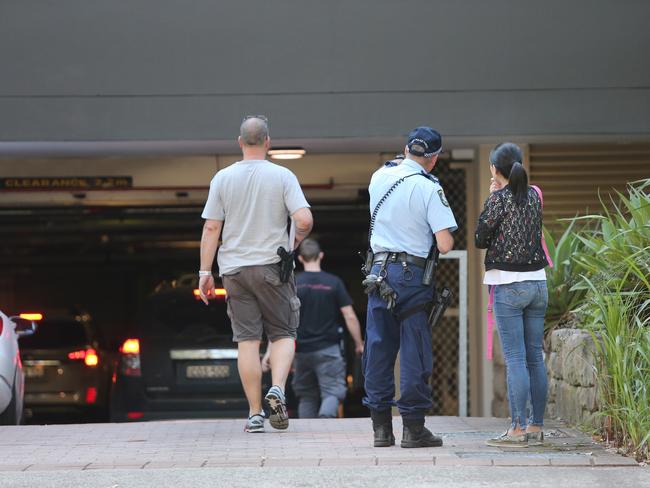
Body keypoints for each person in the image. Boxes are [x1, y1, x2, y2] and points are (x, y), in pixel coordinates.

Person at [199, 115, 313, 434]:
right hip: (271, 267)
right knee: (283, 333)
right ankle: (277, 388)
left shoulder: (222, 178)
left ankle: (253, 414)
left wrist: (204, 272)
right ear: (267, 142)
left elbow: (211, 227)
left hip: (233, 269)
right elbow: (303, 219)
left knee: (247, 341)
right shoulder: (282, 175)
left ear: (239, 142)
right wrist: (292, 245)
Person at [363, 126, 457, 448]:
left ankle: (381, 430)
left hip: (377, 272)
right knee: (414, 350)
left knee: (378, 348)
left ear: (405, 150)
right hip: (411, 277)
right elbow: (445, 244)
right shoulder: (429, 187)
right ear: (433, 158)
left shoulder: (379, 177)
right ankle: (414, 430)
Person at [475, 142, 549, 448]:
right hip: (537, 283)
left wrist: (493, 194)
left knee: (516, 358)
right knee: (535, 357)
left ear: (494, 168)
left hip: (509, 284)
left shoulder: (498, 200)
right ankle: (536, 426)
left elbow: (481, 238)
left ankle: (517, 429)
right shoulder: (534, 195)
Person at [289, 238, 364, 418]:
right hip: (328, 349)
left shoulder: (293, 284)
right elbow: (349, 315)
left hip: (301, 350)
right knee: (332, 392)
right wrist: (358, 343)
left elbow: (283, 317)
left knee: (307, 396)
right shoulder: (334, 282)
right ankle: (325, 422)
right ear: (321, 256)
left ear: (300, 259)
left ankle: (308, 438)